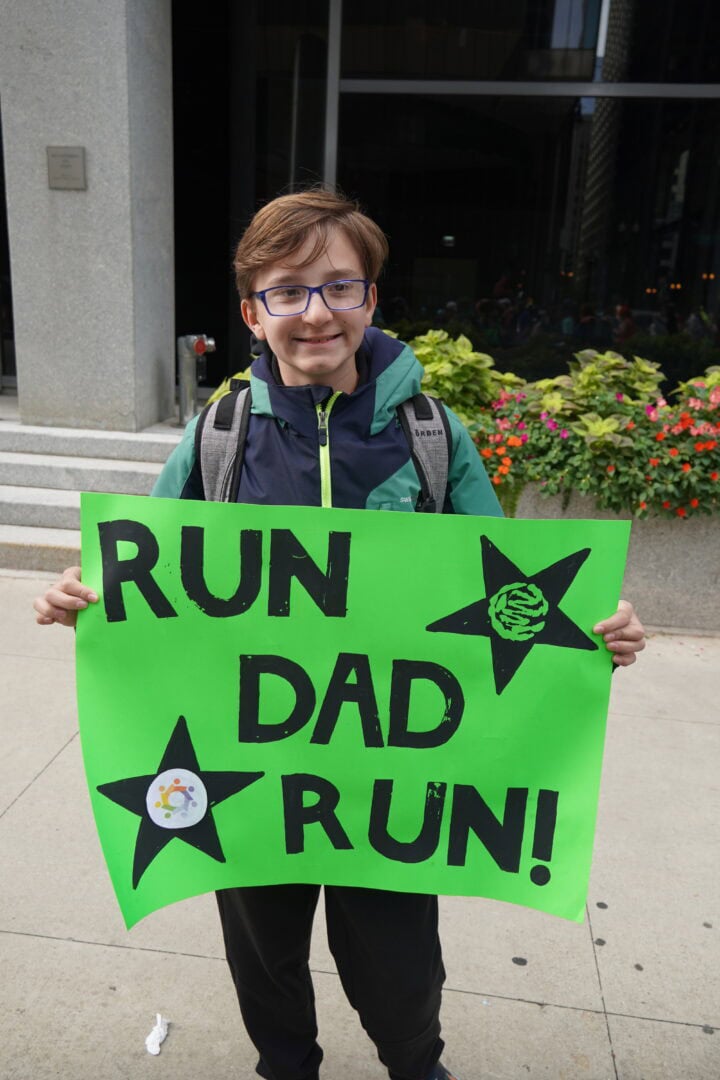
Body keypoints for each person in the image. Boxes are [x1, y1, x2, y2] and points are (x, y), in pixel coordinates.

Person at [33, 188, 646, 1080]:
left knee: (400, 967)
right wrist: (79, 596)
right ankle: (286, 1067)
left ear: (369, 300)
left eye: (339, 287)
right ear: (254, 312)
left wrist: (602, 632)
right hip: (252, 771)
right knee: (264, 955)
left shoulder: (433, 436)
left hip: (395, 786)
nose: (315, 312)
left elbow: (512, 596)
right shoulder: (219, 437)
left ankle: (415, 1065)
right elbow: (143, 573)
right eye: (288, 290)